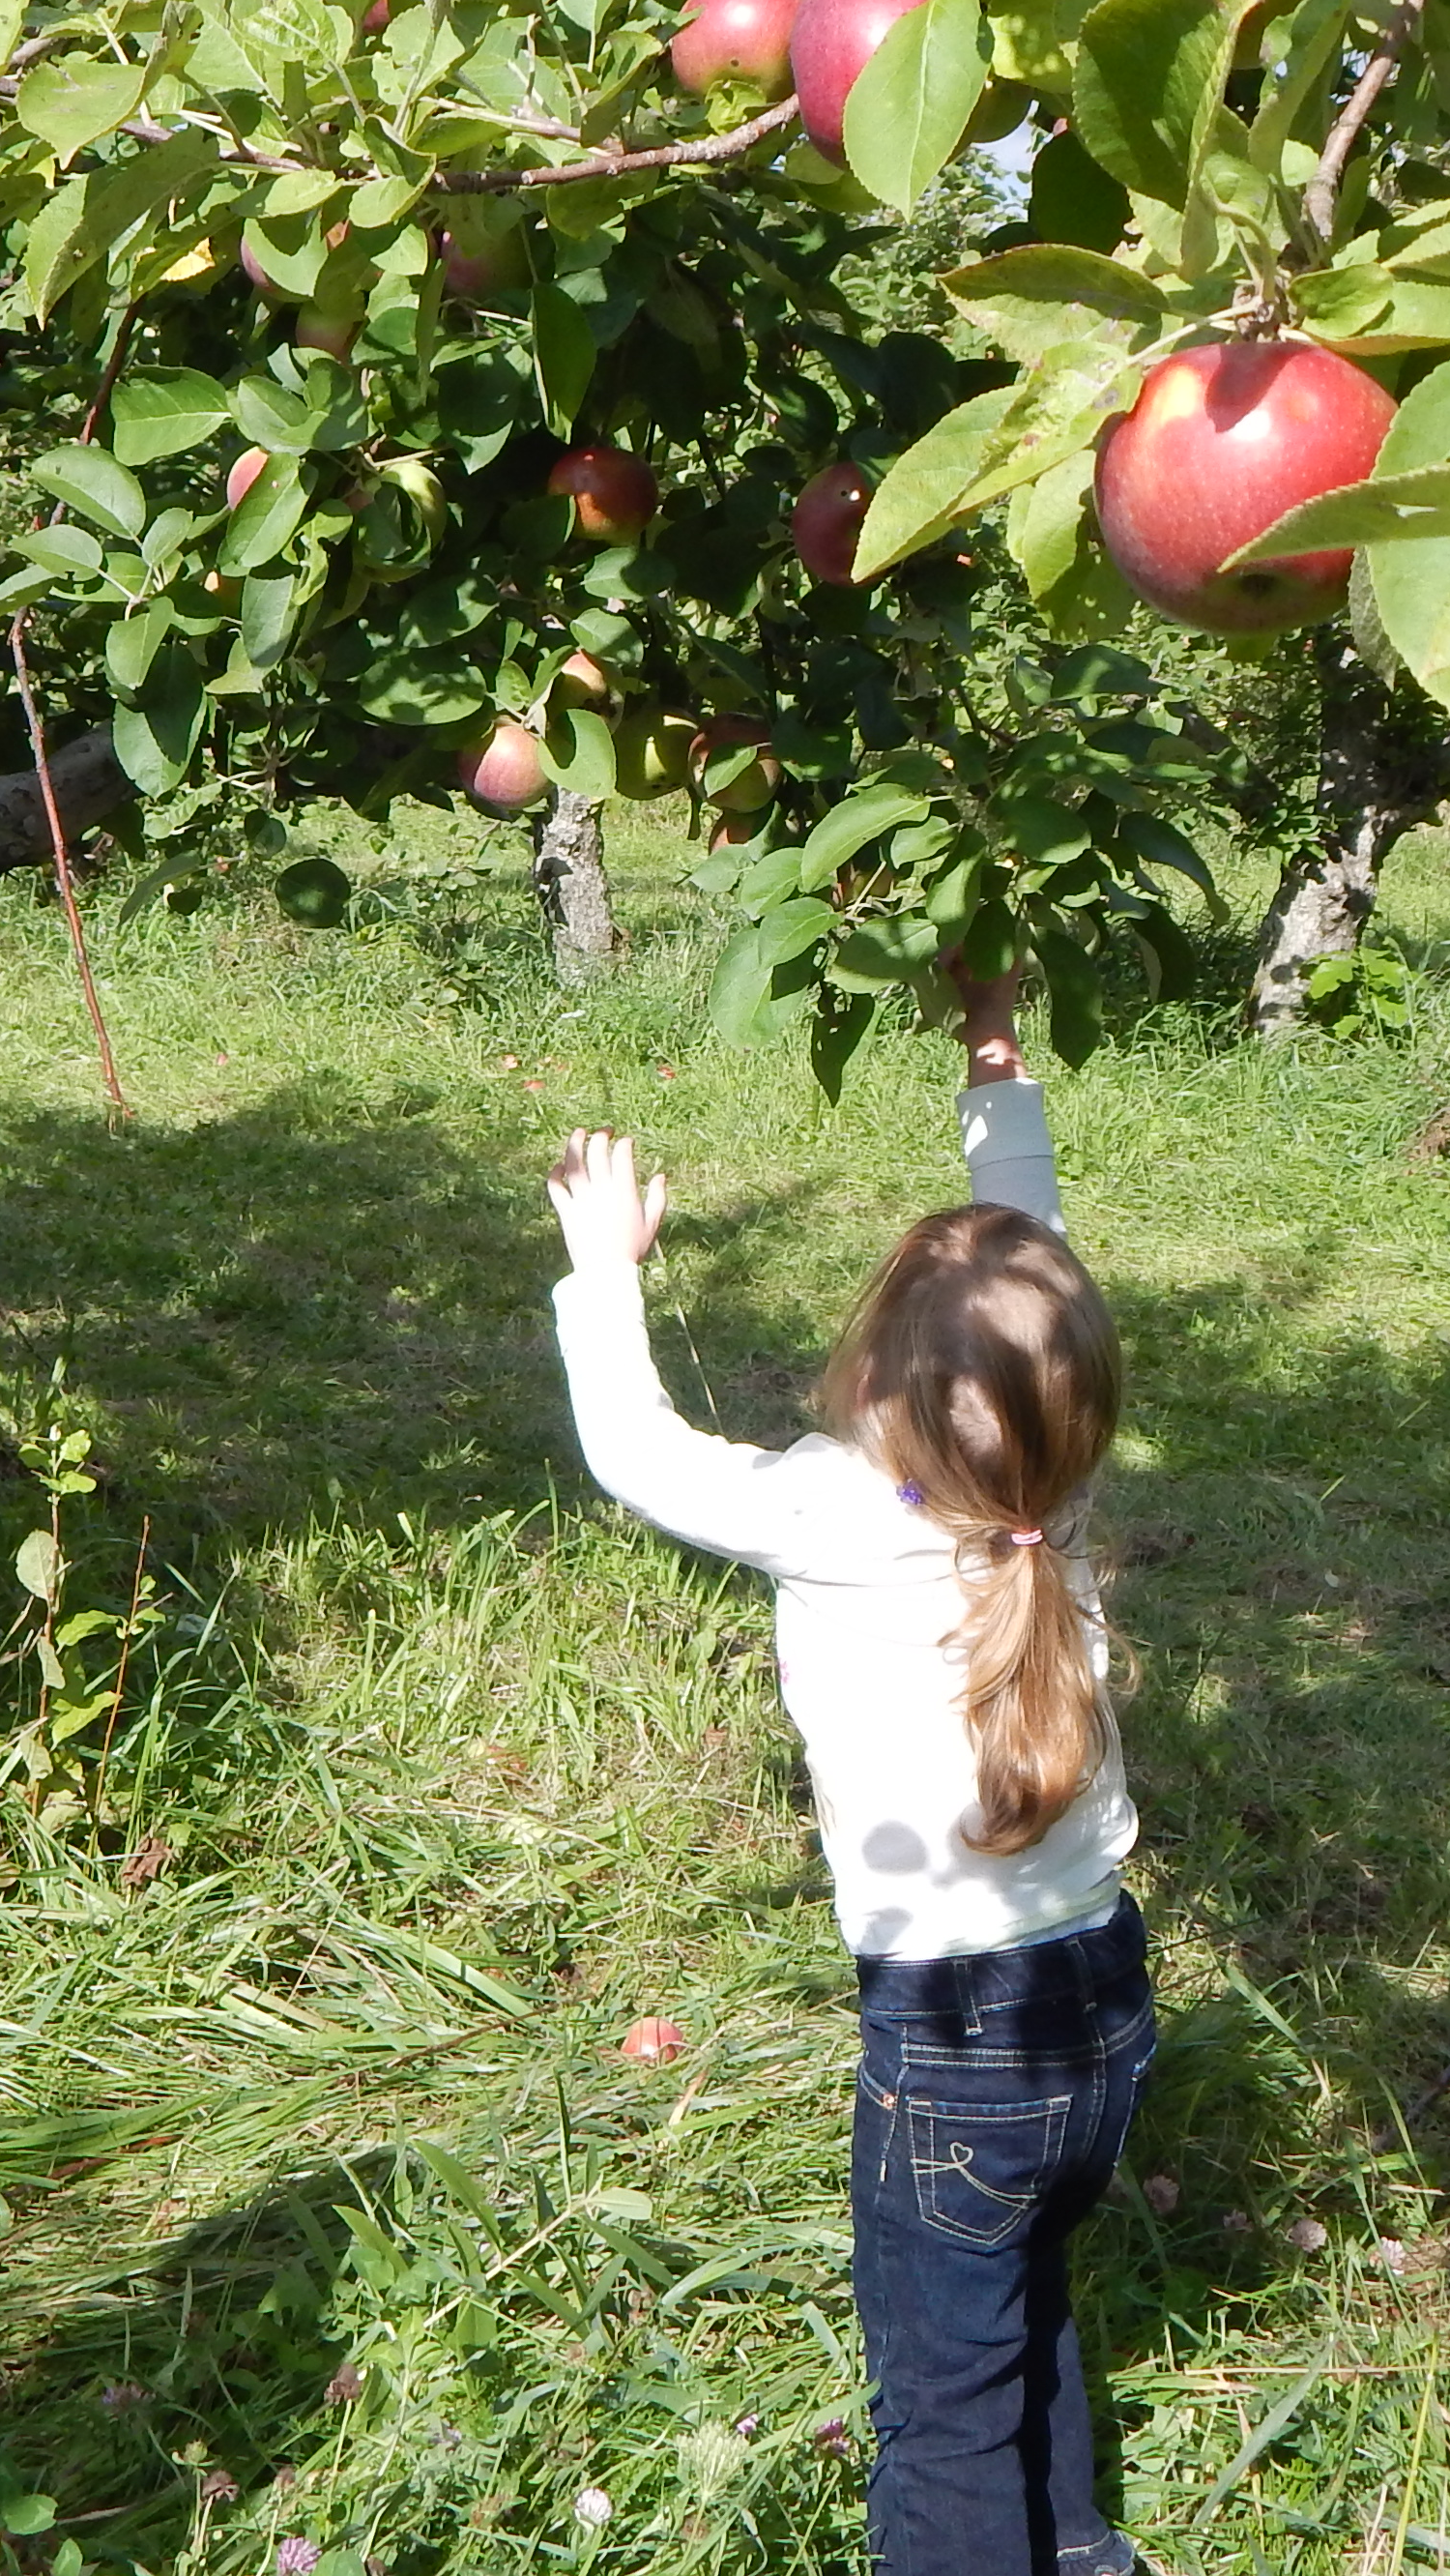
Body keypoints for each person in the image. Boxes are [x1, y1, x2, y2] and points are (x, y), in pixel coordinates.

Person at [543, 968, 1149, 2576]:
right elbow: (1038, 1271)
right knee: (1028, 2295)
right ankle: (1081, 2551)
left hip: (949, 2042)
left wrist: (605, 1273)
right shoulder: (1059, 1495)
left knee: (941, 2402)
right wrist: (997, 1068)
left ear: (873, 1380)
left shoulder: (829, 1505)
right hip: (1101, 1999)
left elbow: (638, 1453)